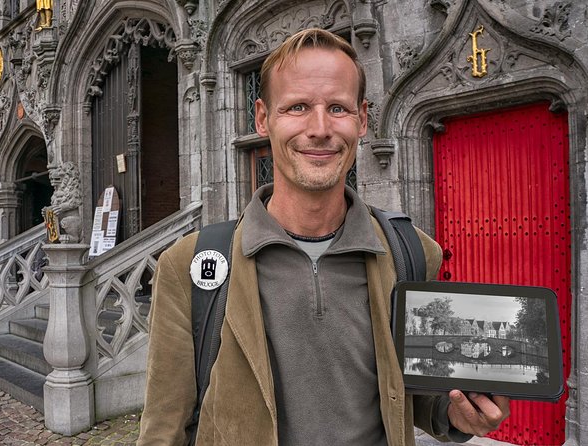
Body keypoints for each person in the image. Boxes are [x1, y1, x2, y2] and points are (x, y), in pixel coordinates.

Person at [137, 28, 509, 445]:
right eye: (297, 107)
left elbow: (412, 393)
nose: (319, 128)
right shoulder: (190, 265)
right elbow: (163, 428)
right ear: (262, 118)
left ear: (362, 119)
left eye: (337, 108)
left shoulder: (412, 252)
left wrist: (457, 414)